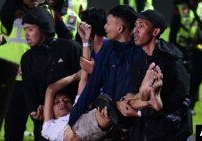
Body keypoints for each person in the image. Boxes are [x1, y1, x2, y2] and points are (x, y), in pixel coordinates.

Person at [68, 5, 163, 140]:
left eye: (107, 23)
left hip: (135, 121)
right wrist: (70, 122)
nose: (105, 27)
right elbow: (91, 88)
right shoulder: (107, 49)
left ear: (120, 28)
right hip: (108, 117)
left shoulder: (142, 52)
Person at [128, 9, 191, 141]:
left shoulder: (173, 66)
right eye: (135, 25)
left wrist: (138, 107)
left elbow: (173, 109)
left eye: (142, 25)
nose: (135, 30)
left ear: (155, 32)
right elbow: (131, 99)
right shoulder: (140, 63)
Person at [21, 7, 81, 140]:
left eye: (30, 29)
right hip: (45, 122)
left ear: (43, 28)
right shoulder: (27, 58)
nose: (26, 35)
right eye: (25, 30)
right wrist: (34, 110)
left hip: (74, 118)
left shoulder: (70, 48)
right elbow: (28, 88)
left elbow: (84, 77)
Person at [0, 0, 41, 140]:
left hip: (36, 80)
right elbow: (7, 34)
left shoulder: (44, 15)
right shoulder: (12, 12)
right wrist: (1, 38)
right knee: (13, 128)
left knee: (42, 128)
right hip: (14, 78)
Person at [169, 0, 202, 114]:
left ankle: (192, 104)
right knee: (182, 77)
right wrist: (173, 51)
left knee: (199, 76)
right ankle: (181, 102)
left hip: (199, 50)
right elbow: (173, 32)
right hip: (183, 48)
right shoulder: (180, 8)